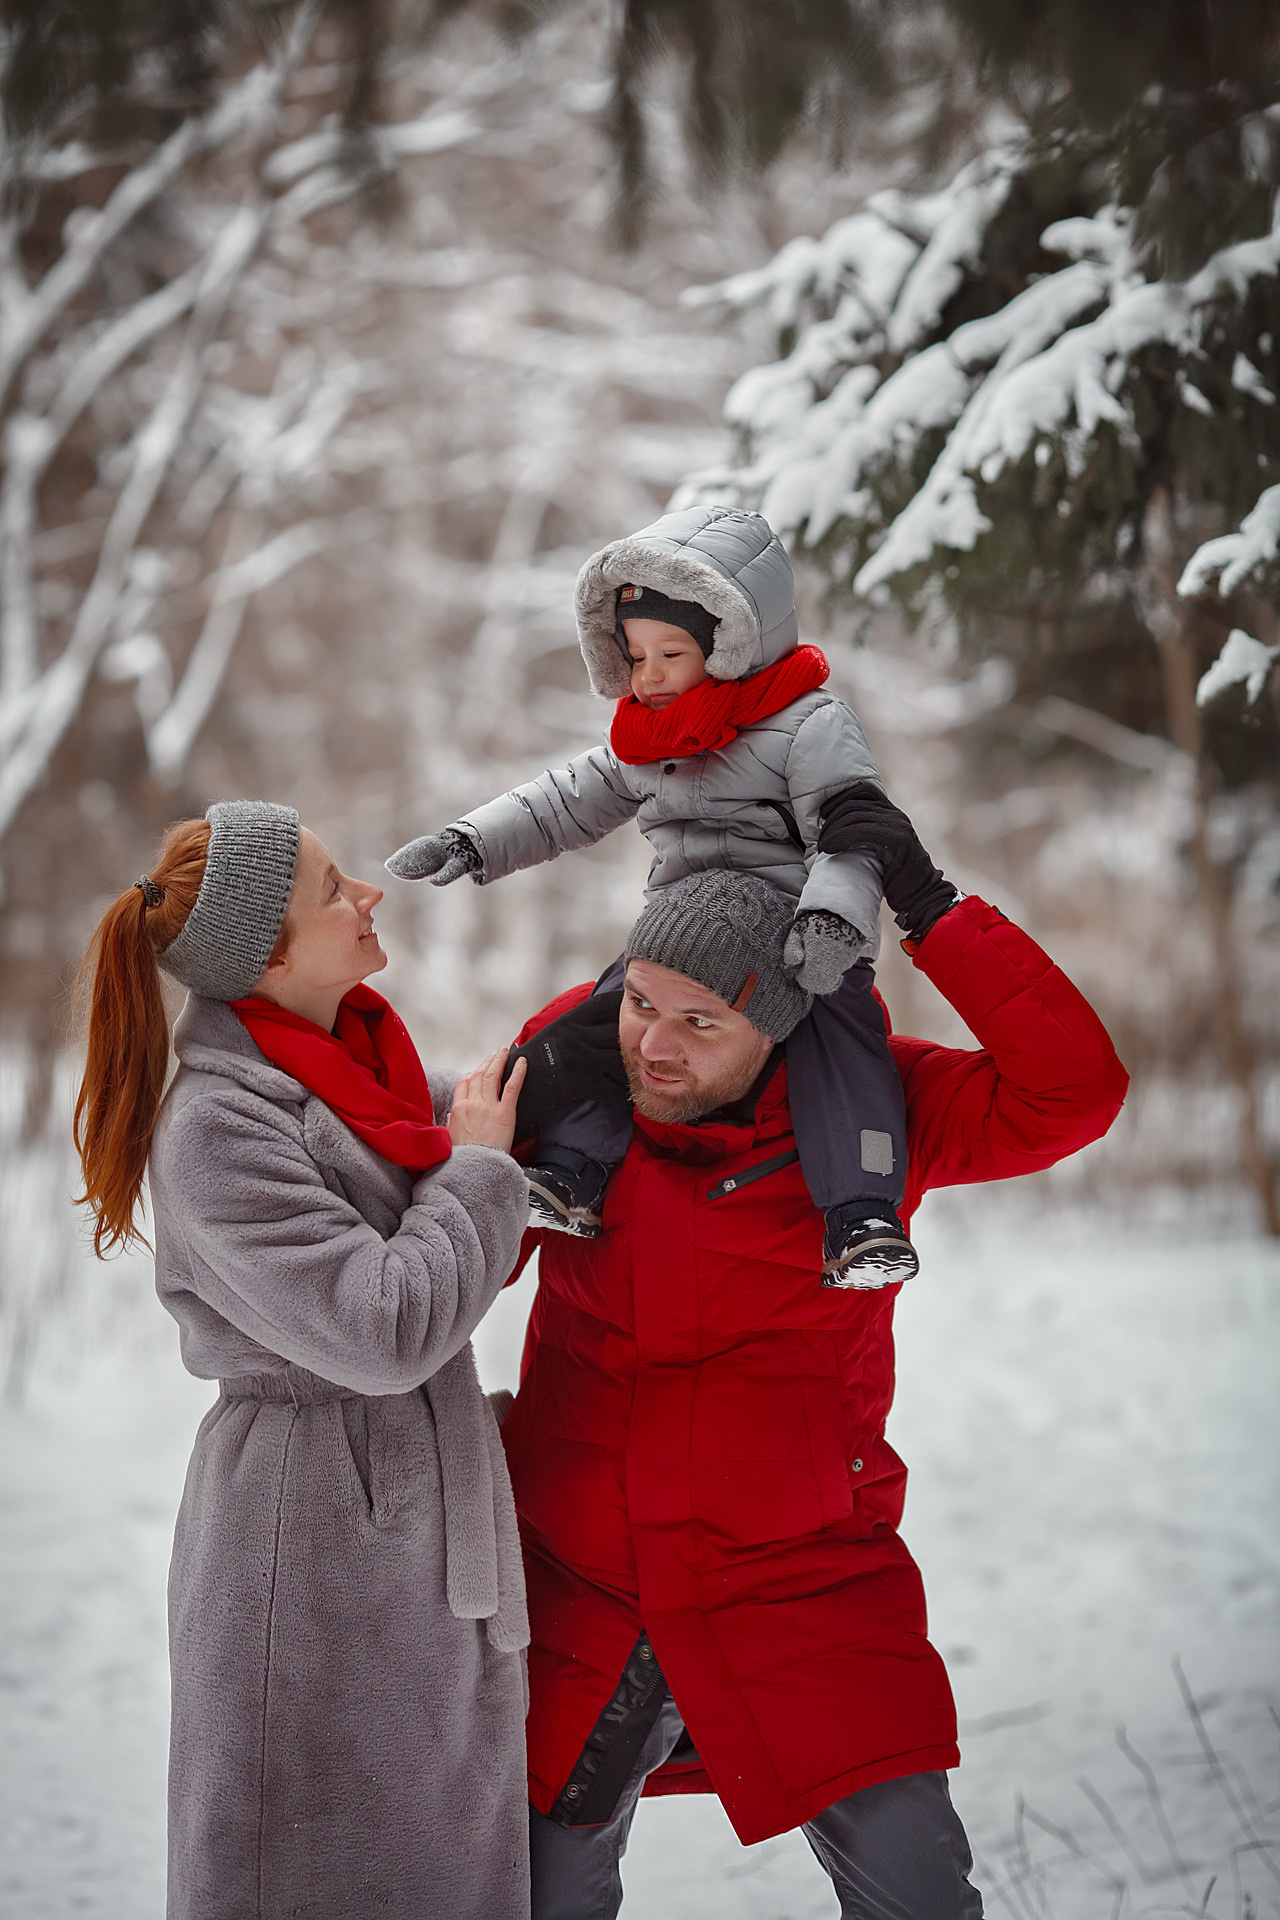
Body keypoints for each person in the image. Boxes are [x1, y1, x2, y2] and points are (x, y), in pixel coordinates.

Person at [498, 792, 1130, 1920]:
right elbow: (430, 1242)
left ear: (781, 1024)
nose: (653, 1043)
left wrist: (929, 907)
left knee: (917, 1897)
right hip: (582, 1587)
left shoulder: (875, 1118)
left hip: (805, 1583)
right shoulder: (581, 1091)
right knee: (532, 1898)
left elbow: (1071, 1093)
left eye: (701, 1023)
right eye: (640, 1004)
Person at [73, 799, 533, 1920]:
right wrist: (479, 1176)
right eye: (334, 889)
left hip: (407, 1518)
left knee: (435, 1862)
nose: (368, 893)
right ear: (265, 955)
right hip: (313, 1534)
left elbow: (457, 1166)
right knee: (316, 1866)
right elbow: (381, 1326)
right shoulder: (219, 1131)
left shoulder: (350, 1073)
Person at [387, 503, 920, 1286]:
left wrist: (836, 919)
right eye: (635, 656)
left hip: (804, 934)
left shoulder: (810, 725)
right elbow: (564, 800)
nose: (650, 676)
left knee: (843, 1046)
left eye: (672, 652)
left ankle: (864, 1213)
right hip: (679, 941)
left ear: (735, 642)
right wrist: (473, 841)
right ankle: (572, 1170)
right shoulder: (650, 738)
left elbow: (853, 828)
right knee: (607, 1027)